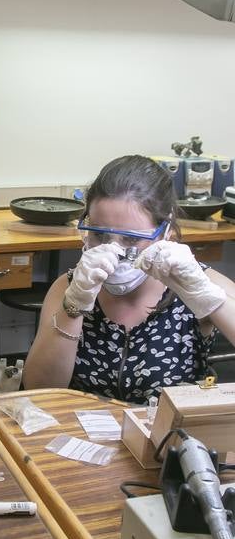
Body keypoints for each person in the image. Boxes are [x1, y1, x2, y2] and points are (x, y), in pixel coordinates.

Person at [23, 155, 235, 404]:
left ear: (164, 231)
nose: (115, 251)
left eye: (132, 239)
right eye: (100, 235)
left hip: (168, 437)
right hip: (84, 434)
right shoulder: (69, 287)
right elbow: (39, 388)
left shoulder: (198, 282)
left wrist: (208, 298)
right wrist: (73, 309)